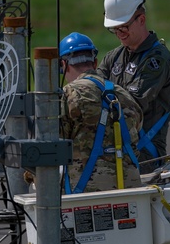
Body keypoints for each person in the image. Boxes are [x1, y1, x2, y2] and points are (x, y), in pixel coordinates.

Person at [99, 0, 170, 173]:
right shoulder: (115, 56)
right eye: (114, 29)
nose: (119, 34)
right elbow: (94, 89)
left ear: (141, 20)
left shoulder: (157, 61)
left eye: (124, 28)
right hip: (116, 152)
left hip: (144, 158)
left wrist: (103, 95)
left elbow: (131, 106)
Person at [59, 32, 142, 193]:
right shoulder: (123, 95)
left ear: (64, 64)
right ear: (95, 62)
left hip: (86, 192)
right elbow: (136, 130)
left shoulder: (68, 94)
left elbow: (54, 144)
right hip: (130, 189)